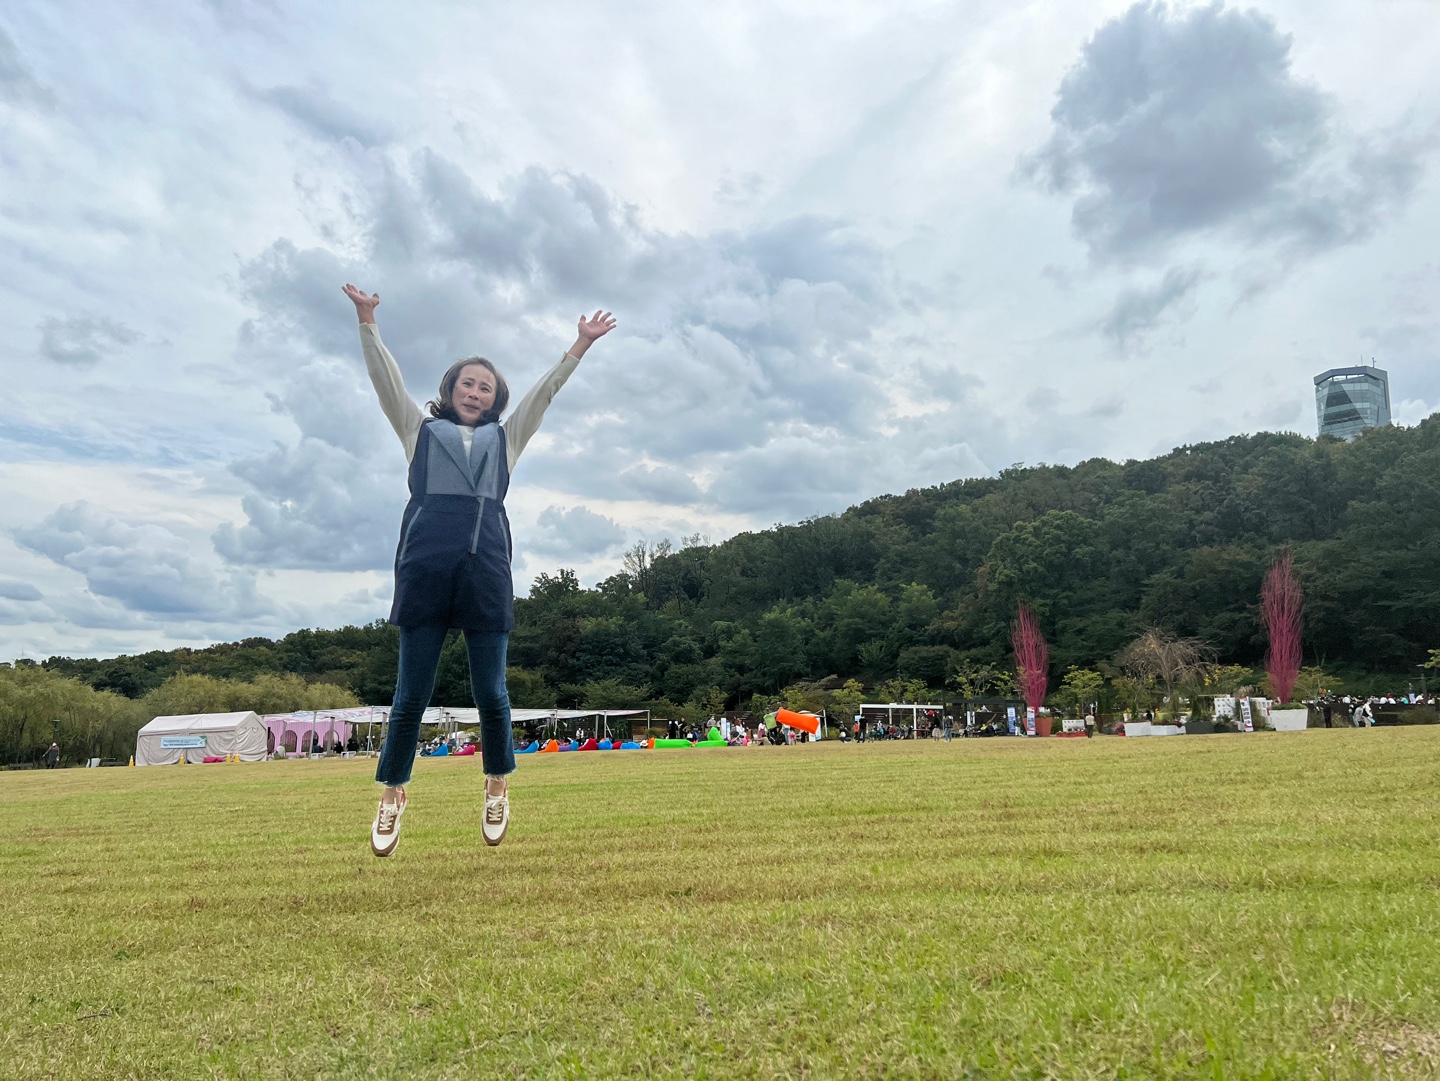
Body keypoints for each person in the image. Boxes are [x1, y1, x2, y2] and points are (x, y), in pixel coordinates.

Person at [343, 283, 615, 856]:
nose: (474, 391)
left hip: (486, 571)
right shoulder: (419, 432)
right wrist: (368, 320)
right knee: (410, 695)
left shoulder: (505, 439)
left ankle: (497, 784)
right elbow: (385, 380)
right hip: (424, 571)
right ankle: (392, 794)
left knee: (491, 691)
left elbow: (544, 394)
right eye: (466, 383)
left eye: (485, 387)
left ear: (495, 401)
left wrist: (580, 345)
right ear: (449, 390)